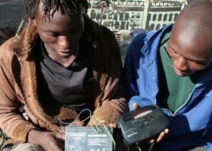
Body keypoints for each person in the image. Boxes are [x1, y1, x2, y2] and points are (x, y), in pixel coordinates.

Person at [124, 0, 212, 150]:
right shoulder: (141, 49)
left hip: (196, 144)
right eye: (174, 51)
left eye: (196, 61)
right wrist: (140, 118)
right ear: (172, 30)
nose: (180, 65)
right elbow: (130, 95)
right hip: (146, 143)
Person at [0, 0, 128, 150]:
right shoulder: (12, 54)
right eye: (53, 34)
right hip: (42, 133)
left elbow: (117, 94)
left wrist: (97, 127)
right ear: (34, 21)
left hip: (94, 129)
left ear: (82, 15)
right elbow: (5, 111)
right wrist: (36, 136)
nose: (65, 44)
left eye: (74, 31)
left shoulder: (103, 43)